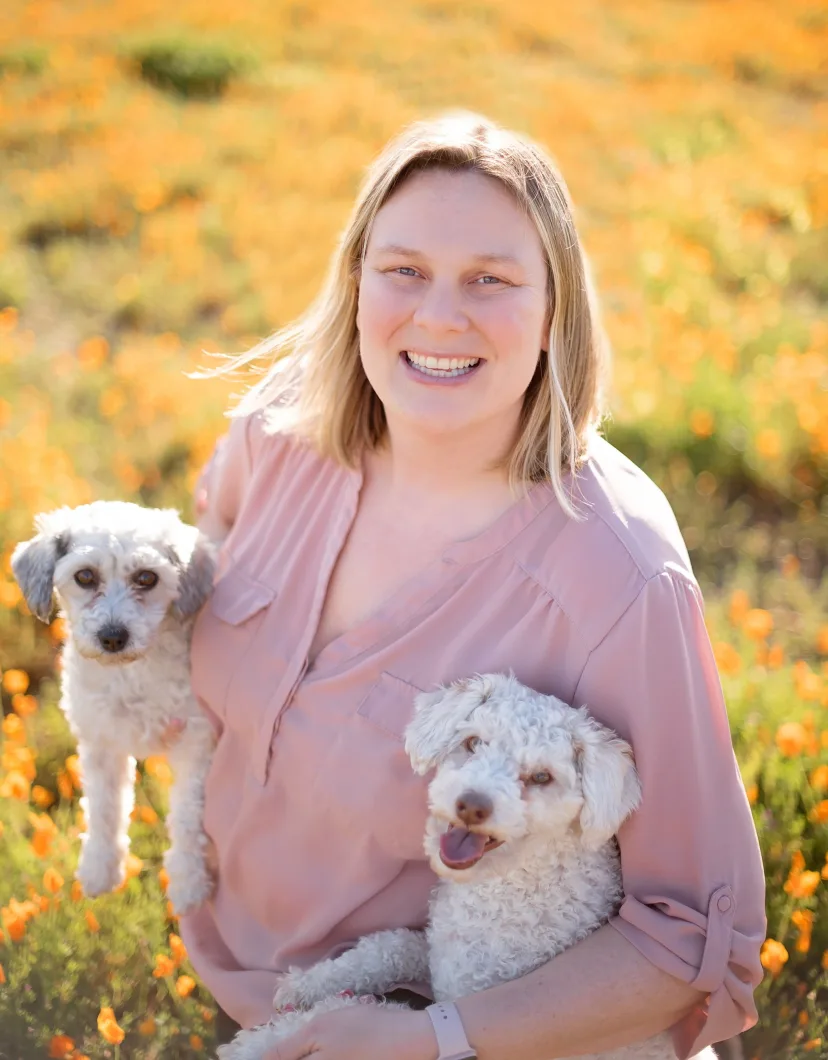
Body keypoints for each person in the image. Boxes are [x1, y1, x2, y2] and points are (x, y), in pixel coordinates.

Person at [180, 111, 766, 1060]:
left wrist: (438, 1039)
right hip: (230, 976)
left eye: (490, 281)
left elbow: (694, 931)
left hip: (426, 1020)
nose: (440, 316)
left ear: (552, 314)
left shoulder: (618, 573)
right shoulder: (274, 436)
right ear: (356, 281)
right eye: (403, 268)